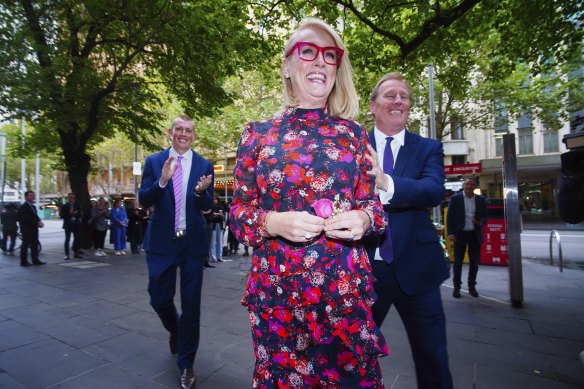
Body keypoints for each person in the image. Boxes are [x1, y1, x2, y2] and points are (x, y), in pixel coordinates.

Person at [230, 18, 388, 388]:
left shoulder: (353, 134)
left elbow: (375, 208)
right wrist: (273, 223)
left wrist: (364, 219)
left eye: (330, 55)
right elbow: (238, 215)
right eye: (308, 51)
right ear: (287, 65)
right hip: (280, 300)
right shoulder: (257, 134)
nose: (320, 62)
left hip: (345, 298)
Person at [364, 72, 453, 388]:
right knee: (352, 358)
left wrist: (383, 181)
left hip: (419, 271)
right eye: (390, 95)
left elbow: (433, 190)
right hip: (363, 273)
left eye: (404, 96)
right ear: (374, 105)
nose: (398, 100)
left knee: (433, 358)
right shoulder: (353, 146)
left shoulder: (428, 147)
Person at [139, 115, 213, 389]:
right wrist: (161, 181)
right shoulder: (154, 162)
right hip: (161, 243)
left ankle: (186, 365)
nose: (184, 134)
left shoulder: (204, 164)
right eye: (179, 129)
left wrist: (200, 192)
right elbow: (143, 199)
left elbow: (206, 205)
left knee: (192, 306)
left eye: (189, 131)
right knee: (159, 298)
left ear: (194, 136)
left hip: (192, 244)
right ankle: (176, 329)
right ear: (170, 132)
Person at [447, 178, 487, 298]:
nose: (469, 186)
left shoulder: (481, 200)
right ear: (463, 185)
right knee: (458, 262)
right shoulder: (455, 199)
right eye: (467, 184)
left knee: (474, 263)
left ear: (475, 186)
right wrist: (450, 233)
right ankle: (457, 287)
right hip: (460, 235)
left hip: (474, 234)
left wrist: (481, 222)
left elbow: (485, 216)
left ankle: (471, 286)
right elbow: (450, 217)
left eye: (472, 184)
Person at [17, 191, 45, 266]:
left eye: (33, 195)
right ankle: (23, 261)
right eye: (31, 196)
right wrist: (37, 223)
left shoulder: (33, 207)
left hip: (34, 229)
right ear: (26, 197)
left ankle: (35, 259)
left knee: (34, 245)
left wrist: (39, 221)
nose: (33, 197)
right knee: (25, 245)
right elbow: (26, 218)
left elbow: (35, 216)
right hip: (26, 229)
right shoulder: (23, 207)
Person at [59, 192, 82, 259]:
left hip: (76, 224)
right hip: (68, 224)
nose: (72, 199)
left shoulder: (77, 205)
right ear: (68, 198)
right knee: (67, 239)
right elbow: (62, 215)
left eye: (73, 197)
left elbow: (80, 214)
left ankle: (75, 252)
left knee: (76, 239)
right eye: (71, 197)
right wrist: (70, 213)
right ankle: (66, 254)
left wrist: (76, 213)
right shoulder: (65, 206)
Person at [208, 197, 224, 262]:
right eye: (214, 199)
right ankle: (213, 257)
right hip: (213, 225)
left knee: (220, 241)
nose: (215, 201)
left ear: (218, 200)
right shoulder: (211, 207)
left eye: (216, 199)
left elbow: (222, 216)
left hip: (219, 225)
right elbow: (211, 215)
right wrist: (217, 214)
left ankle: (219, 256)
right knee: (213, 242)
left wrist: (215, 214)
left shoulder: (221, 207)